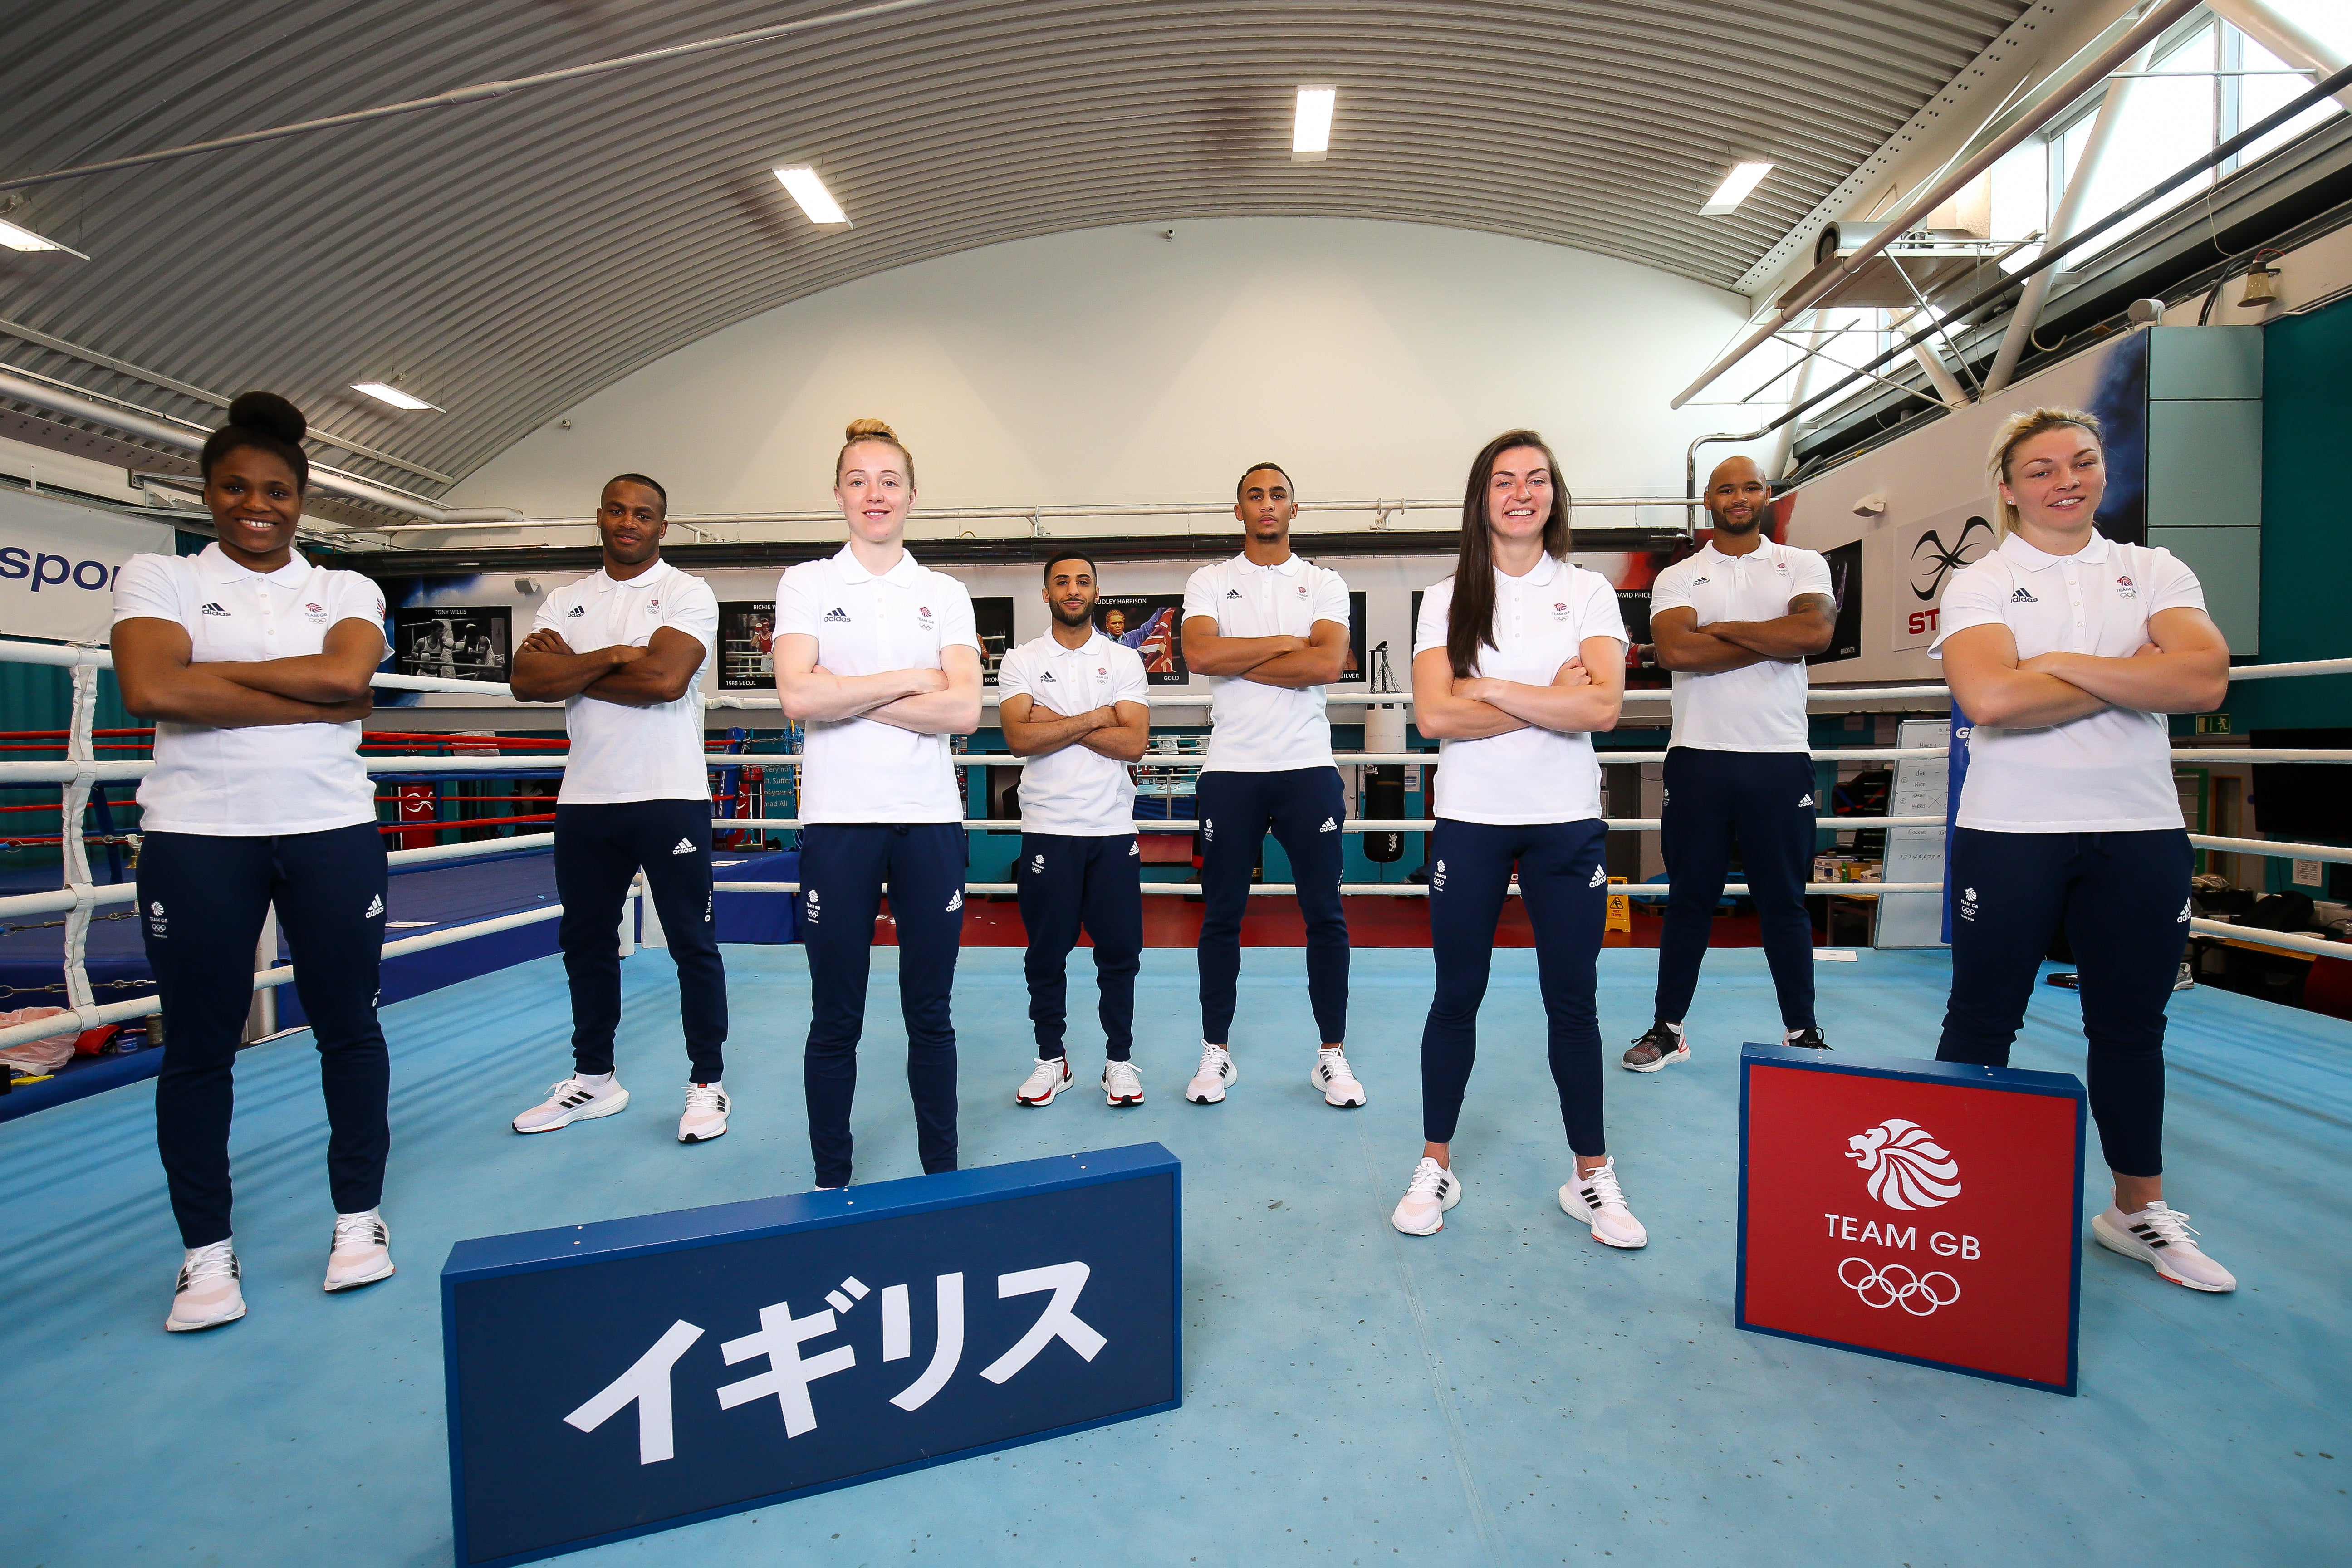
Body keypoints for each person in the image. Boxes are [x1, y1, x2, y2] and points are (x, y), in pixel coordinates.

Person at [110, 392, 395, 1332]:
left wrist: (215, 684)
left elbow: (347, 680)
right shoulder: (160, 576)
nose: (256, 504)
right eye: (236, 487)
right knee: (198, 1047)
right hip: (198, 835)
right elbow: (152, 687)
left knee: (347, 1026)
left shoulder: (347, 591)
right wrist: (309, 698)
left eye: (275, 490)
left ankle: (359, 1222)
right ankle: (205, 1255)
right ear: (209, 491)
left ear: (301, 499)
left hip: (327, 830)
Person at [1933, 407, 2234, 1292]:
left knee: (2133, 1024)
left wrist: (2055, 667)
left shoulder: (2154, 570)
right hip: (2012, 829)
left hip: (2139, 829)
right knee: (1984, 1017)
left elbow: (2203, 677)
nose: (2065, 479)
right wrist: (2130, 672)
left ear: (2104, 471)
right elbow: (1988, 697)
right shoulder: (1981, 583)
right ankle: (1950, 1205)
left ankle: (2135, 1210)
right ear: (2008, 486)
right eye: (2041, 468)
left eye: (2083, 461)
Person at [1391, 431, 1645, 1246]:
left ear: (1552, 494)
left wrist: (1487, 689)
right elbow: (1435, 716)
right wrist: (1543, 692)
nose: (1520, 493)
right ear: (1482, 498)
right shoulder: (1444, 597)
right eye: (1503, 480)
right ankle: (1434, 1163)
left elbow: (1601, 708)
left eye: (1535, 479)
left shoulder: (1588, 591)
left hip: (1563, 820)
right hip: (1469, 820)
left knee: (1572, 1002)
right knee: (1454, 994)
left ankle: (1590, 1178)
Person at [775, 419, 983, 1189]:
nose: (874, 493)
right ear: (838, 493)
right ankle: (832, 1179)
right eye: (858, 479)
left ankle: (941, 1176)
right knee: (836, 1016)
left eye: (888, 480)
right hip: (839, 823)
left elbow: (963, 712)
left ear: (911, 495)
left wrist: (845, 695)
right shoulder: (808, 583)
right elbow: (796, 695)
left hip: (927, 822)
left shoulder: (943, 592)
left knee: (929, 1012)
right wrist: (910, 679)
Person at [505, 474, 730, 1143]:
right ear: (599, 516)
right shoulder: (567, 600)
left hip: (669, 794)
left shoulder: (687, 593)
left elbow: (664, 682)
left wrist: (574, 668)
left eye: (645, 514)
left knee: (693, 942)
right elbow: (526, 682)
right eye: (618, 509)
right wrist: (616, 655)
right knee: (586, 942)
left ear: (663, 526)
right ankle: (595, 1080)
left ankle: (707, 1084)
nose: (629, 521)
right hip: (588, 800)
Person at [1627, 454, 1837, 1070]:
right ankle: (1667, 1030)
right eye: (1726, 489)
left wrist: (1719, 632)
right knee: (1691, 899)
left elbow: (1813, 636)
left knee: (1785, 902)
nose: (1739, 497)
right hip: (1699, 759)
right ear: (1709, 501)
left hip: (1778, 758)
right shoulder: (1681, 574)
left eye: (1750, 487)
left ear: (1766, 494)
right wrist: (1772, 632)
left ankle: (1803, 1032)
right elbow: (1674, 649)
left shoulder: (1802, 564)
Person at [1178, 463, 1361, 1108]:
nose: (1266, 504)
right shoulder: (1210, 580)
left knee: (1325, 915)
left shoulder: (1323, 582)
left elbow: (1328, 663)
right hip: (1231, 769)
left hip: (1306, 767)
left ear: (1293, 508)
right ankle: (1215, 1053)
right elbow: (1199, 657)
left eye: (1277, 495)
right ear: (1238, 510)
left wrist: (1244, 654)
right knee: (1221, 915)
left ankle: (1331, 1056)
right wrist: (1288, 645)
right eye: (1254, 495)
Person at [996, 555, 1151, 1106]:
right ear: (1046, 594)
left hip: (1110, 828)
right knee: (1045, 953)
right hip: (1048, 829)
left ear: (1097, 591)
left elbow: (1134, 745)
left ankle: (1119, 1062)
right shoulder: (1020, 661)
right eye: (1062, 581)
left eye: (1082, 581)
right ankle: (1051, 1060)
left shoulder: (1124, 661)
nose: (1073, 589)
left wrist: (1054, 719)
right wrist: (1097, 716)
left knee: (1120, 953)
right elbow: (1019, 739)